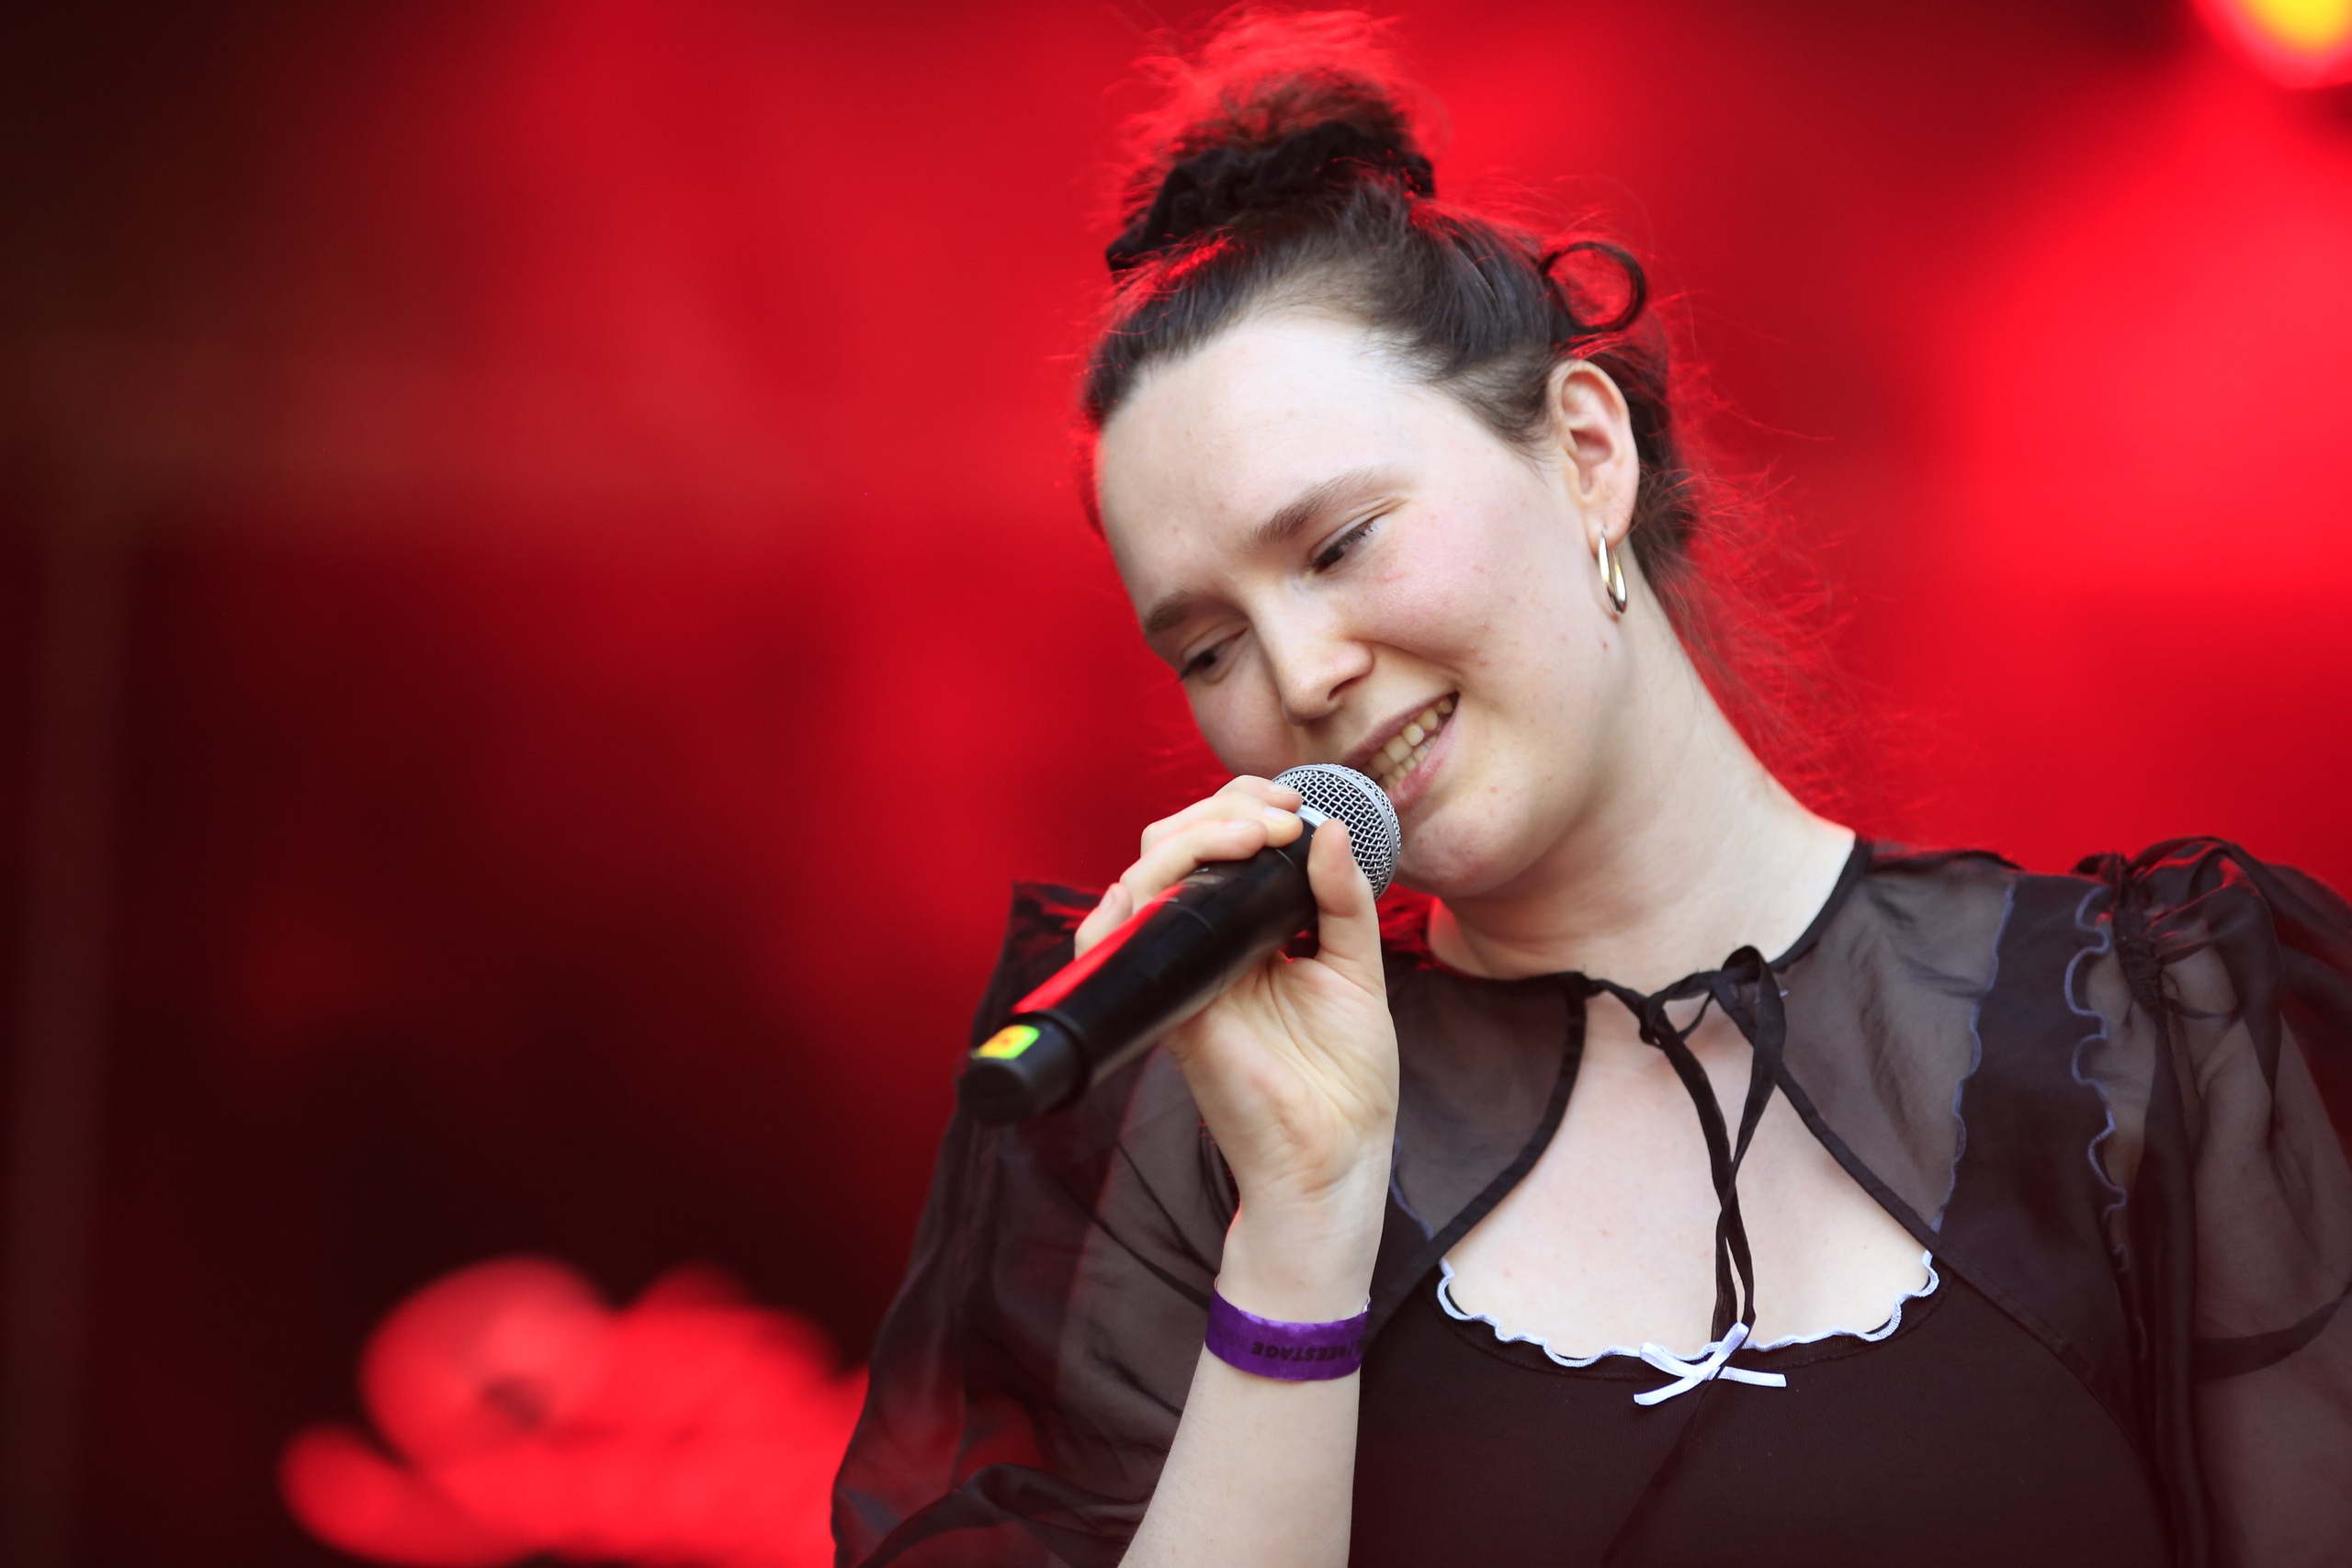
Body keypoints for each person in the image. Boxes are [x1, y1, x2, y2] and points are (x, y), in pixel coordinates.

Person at [831, 14, 2352, 1567]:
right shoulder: (1189, 1138)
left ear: (1583, 449)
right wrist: (1298, 1225)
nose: (1294, 677)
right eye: (1206, 645)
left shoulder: (2157, 1032)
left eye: (1341, 543)